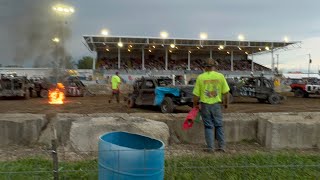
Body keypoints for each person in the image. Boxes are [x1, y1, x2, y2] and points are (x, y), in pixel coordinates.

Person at [192, 58, 230, 152]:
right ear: (215, 66)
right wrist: (226, 103)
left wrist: (195, 105)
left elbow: (196, 95)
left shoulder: (201, 77)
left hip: (205, 105)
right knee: (219, 125)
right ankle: (222, 146)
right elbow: (226, 93)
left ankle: (210, 148)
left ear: (205, 67)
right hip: (217, 104)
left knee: (208, 126)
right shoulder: (220, 76)